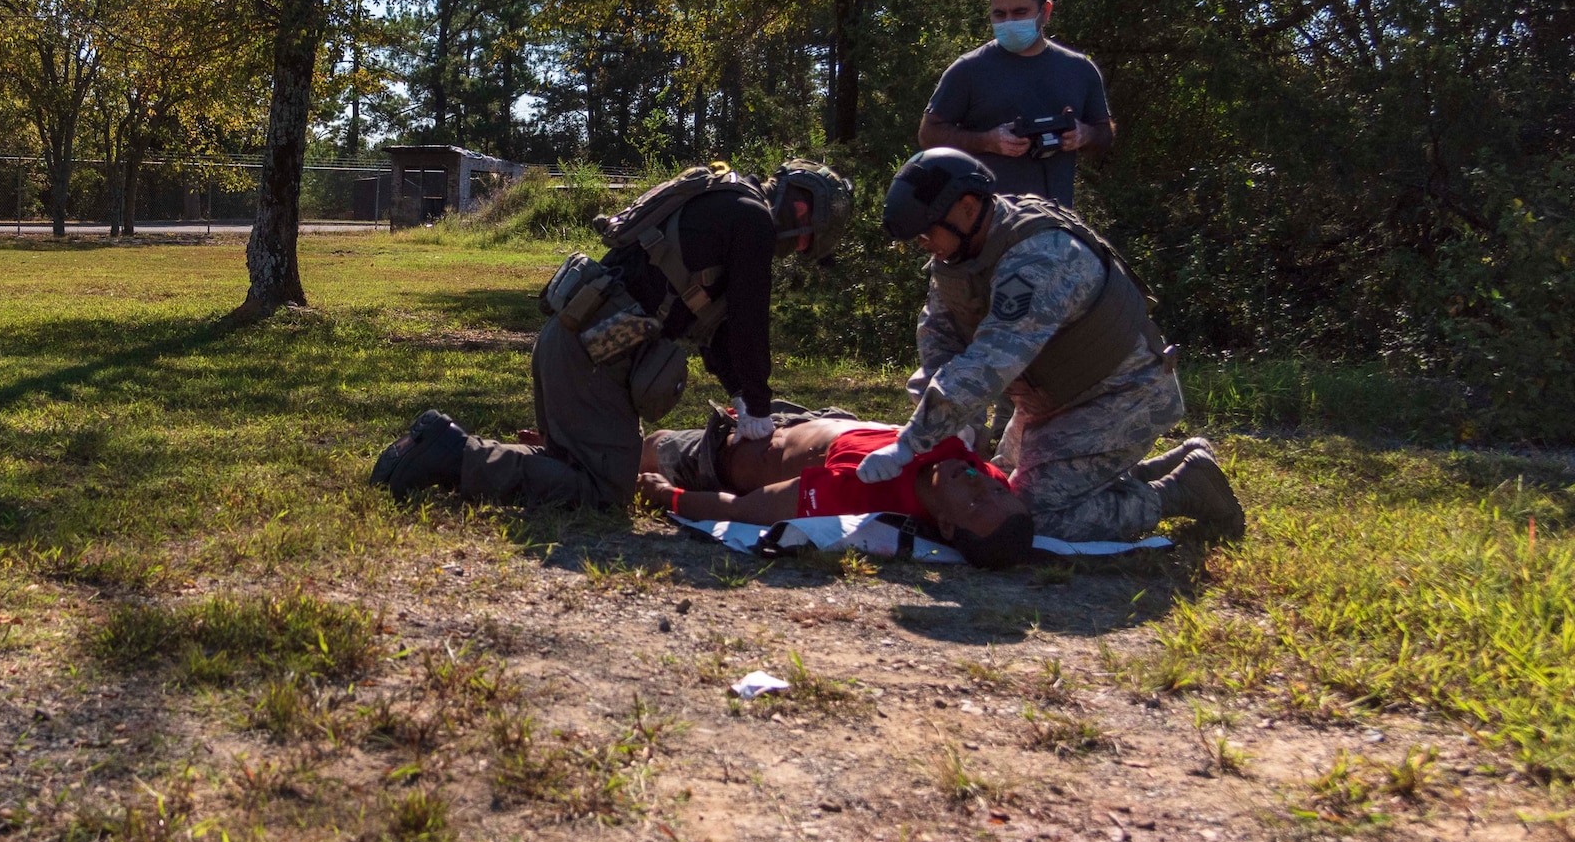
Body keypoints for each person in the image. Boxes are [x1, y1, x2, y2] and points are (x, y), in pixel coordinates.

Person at [372, 159, 852, 508]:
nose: (800, 250)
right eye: (809, 242)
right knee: (605, 491)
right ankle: (452, 453)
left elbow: (719, 334)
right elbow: (750, 323)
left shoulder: (727, 202)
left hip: (575, 344)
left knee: (571, 466)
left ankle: (445, 449)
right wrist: (760, 405)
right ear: (803, 210)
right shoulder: (754, 223)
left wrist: (744, 401)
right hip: (592, 360)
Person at [854, 148, 1244, 543]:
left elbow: (992, 358)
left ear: (968, 208)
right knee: (1001, 488)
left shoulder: (1040, 258)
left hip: (1124, 394)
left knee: (1029, 516)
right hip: (1053, 402)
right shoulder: (961, 255)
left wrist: (912, 442)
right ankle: (1169, 468)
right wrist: (957, 429)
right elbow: (939, 338)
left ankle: (1183, 492)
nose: (923, 243)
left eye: (927, 231)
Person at [636, 404, 1037, 570]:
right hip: (825, 420)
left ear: (947, 526)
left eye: (974, 503)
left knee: (654, 447)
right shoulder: (970, 469)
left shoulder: (858, 493)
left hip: (741, 452)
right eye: (997, 491)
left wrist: (667, 496)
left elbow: (744, 511)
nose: (981, 484)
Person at [920, 0, 1113, 209]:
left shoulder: (1080, 70)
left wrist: (1085, 135)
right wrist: (987, 141)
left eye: (1020, 12)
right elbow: (928, 135)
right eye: (999, 14)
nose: (1009, 22)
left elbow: (1105, 134)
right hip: (987, 227)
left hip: (1056, 223)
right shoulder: (968, 70)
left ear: (1046, 12)